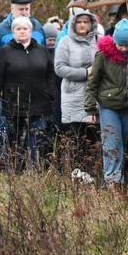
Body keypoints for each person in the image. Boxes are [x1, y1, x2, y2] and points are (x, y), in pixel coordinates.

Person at [0, 16, 55, 169]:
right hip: (14, 101)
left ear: (31, 31)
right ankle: (13, 168)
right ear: (13, 32)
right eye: (18, 29)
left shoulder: (41, 50)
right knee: (14, 137)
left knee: (37, 136)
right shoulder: (5, 51)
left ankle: (33, 167)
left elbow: (51, 73)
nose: (22, 32)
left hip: (39, 100)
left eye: (25, 28)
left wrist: (50, 92)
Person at [85, 18, 128, 188]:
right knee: (112, 144)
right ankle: (112, 182)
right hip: (108, 106)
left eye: (126, 45)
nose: (122, 48)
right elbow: (93, 83)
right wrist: (90, 108)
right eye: (119, 44)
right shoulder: (103, 56)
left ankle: (126, 179)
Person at [54, 9, 99, 169]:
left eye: (85, 22)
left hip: (94, 95)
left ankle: (93, 171)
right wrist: (85, 73)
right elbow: (59, 68)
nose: (82, 25)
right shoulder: (66, 42)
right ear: (73, 24)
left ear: (91, 24)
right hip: (73, 95)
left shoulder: (98, 40)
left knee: (94, 136)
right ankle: (75, 170)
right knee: (75, 136)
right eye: (79, 22)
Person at [0, 0, 45, 73]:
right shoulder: (1, 30)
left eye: (27, 9)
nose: (24, 12)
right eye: (21, 9)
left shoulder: (38, 27)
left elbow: (44, 55)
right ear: (12, 9)